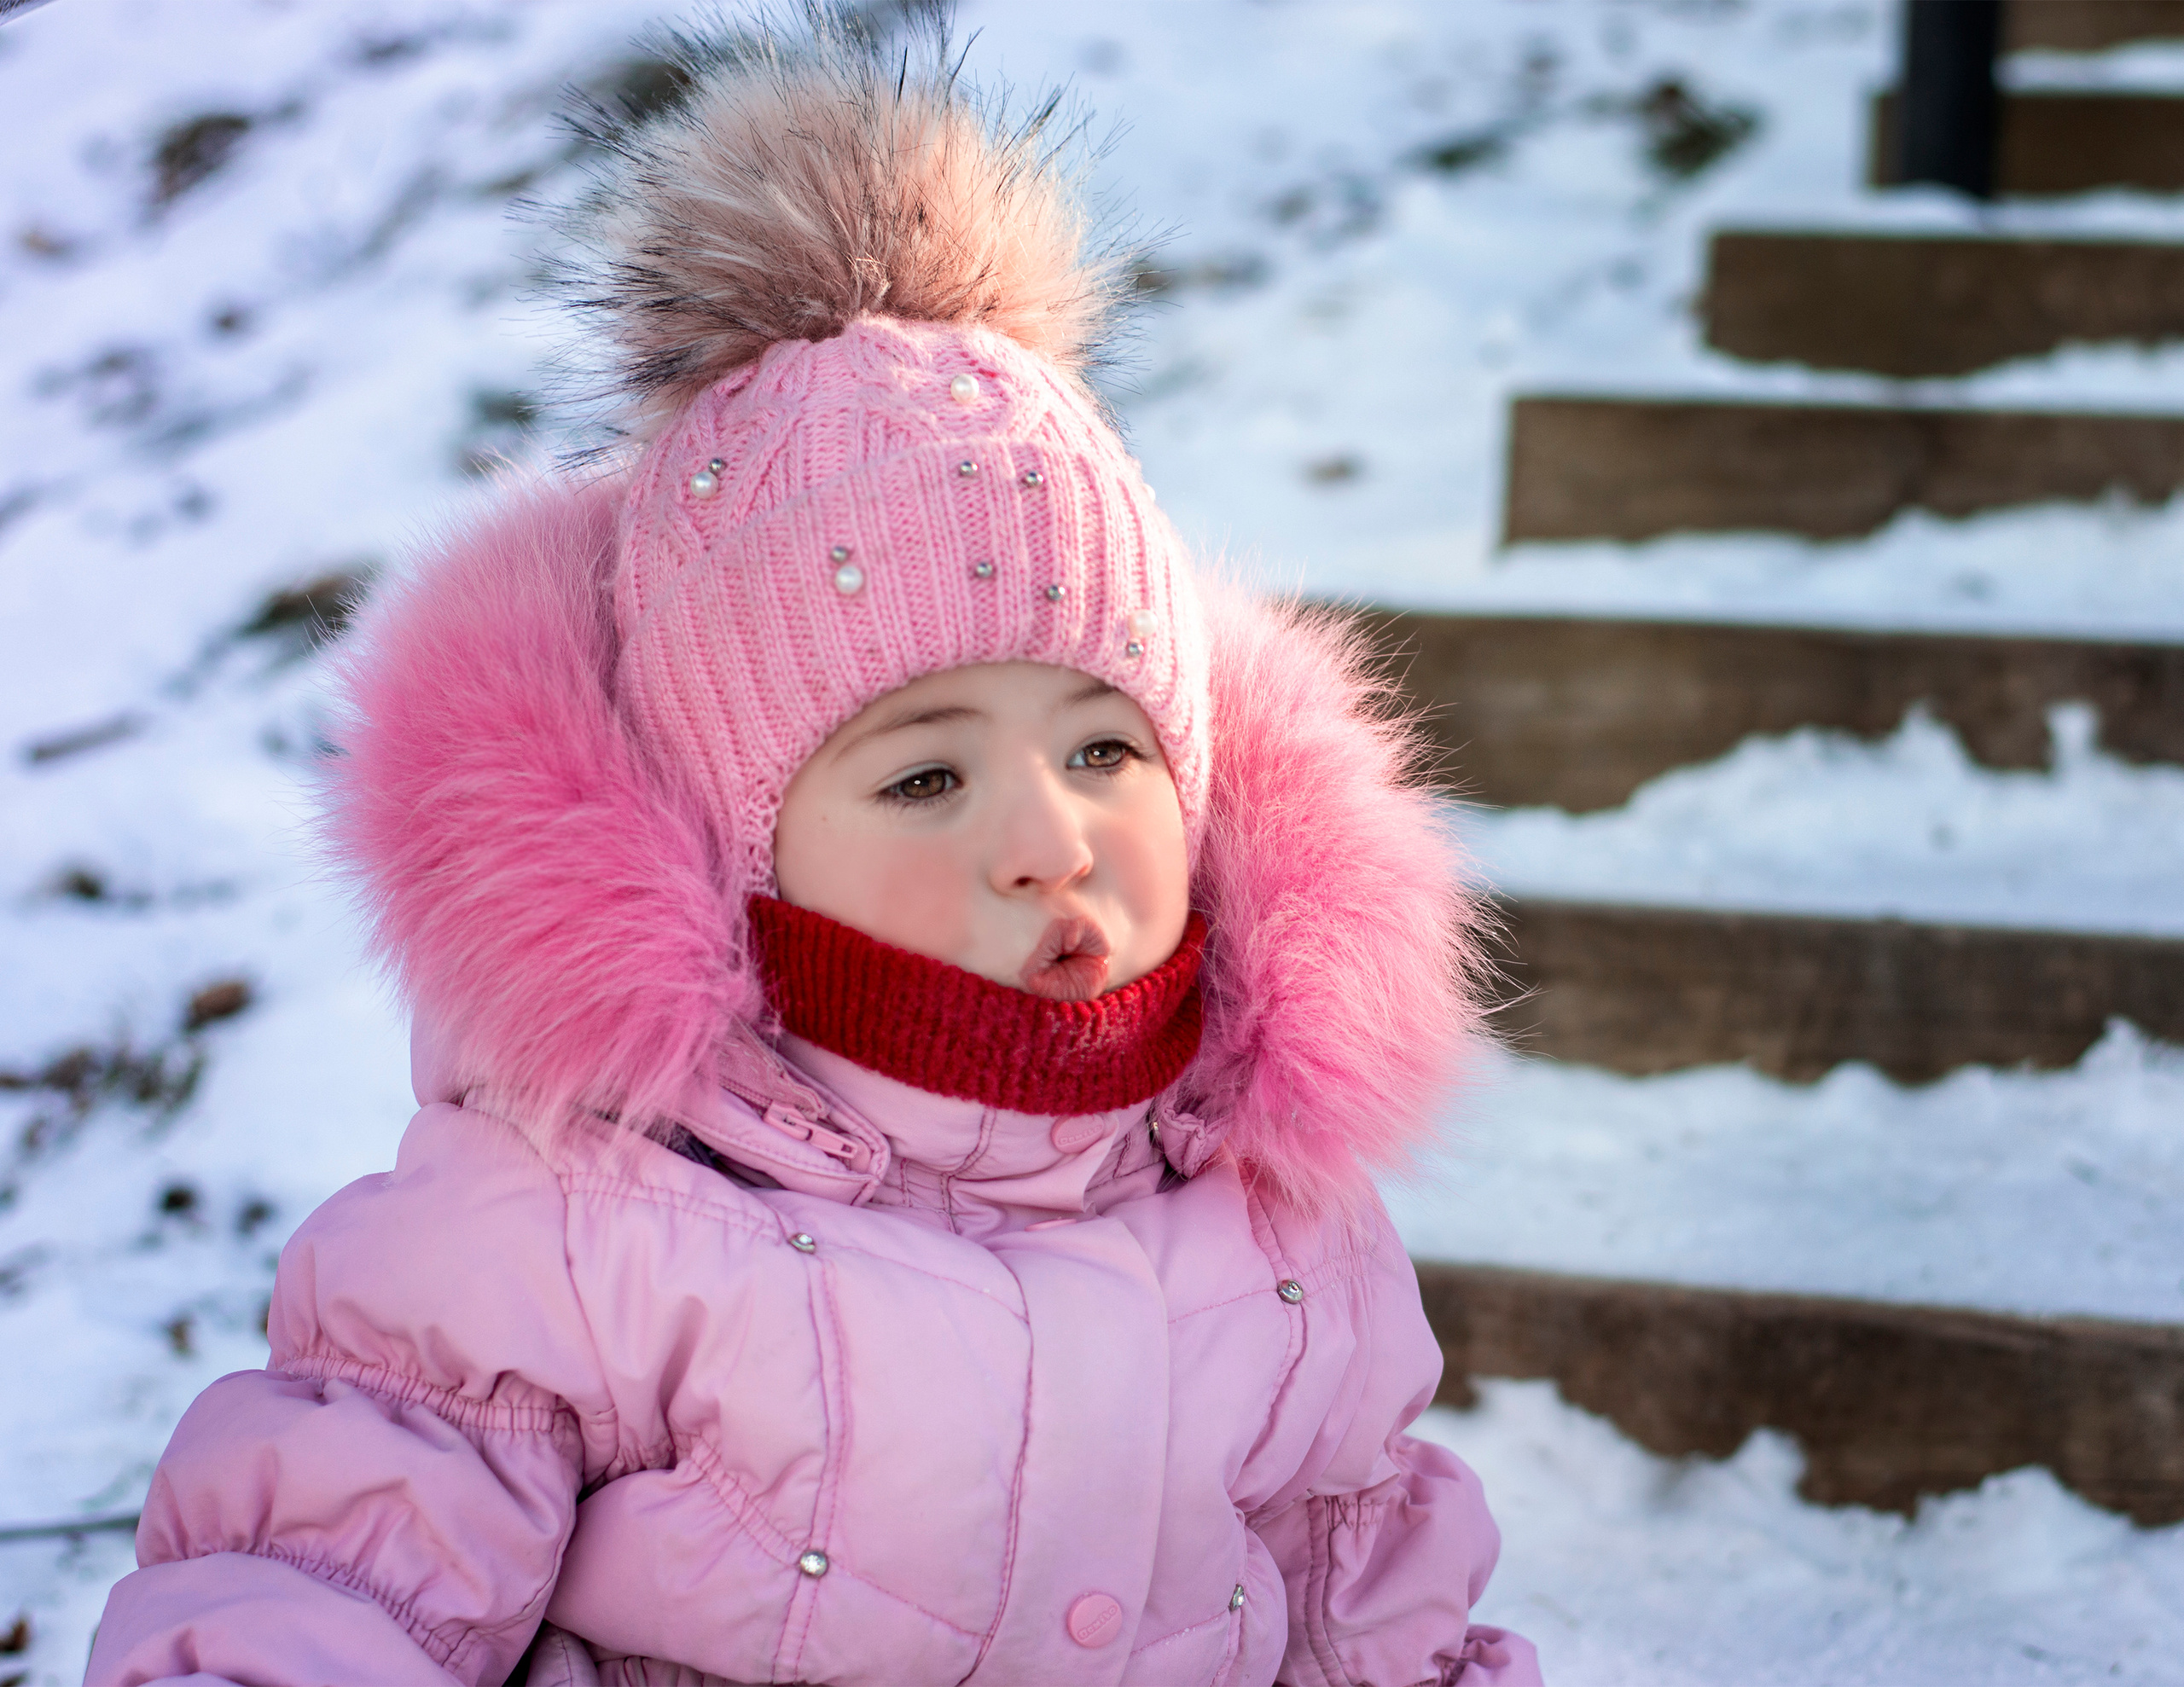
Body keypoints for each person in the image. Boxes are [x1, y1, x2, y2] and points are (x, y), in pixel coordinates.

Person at [85, 13, 1541, 1686]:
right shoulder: (584, 1213)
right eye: (924, 777)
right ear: (741, 845)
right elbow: (339, 1567)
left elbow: (1369, 1601)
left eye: (1103, 748)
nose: (1048, 839)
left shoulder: (1275, 1214)